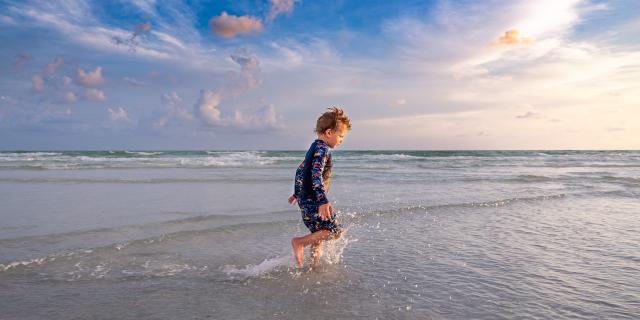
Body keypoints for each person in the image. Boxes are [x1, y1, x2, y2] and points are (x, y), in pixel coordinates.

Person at [289, 107, 351, 267]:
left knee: (318, 233)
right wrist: (323, 200)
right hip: (314, 199)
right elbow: (315, 174)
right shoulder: (322, 149)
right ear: (329, 133)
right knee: (335, 231)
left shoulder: (314, 147)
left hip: (306, 198)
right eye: (341, 136)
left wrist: (297, 193)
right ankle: (300, 243)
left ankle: (313, 266)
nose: (341, 140)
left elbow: (301, 169)